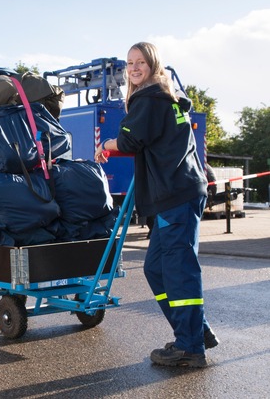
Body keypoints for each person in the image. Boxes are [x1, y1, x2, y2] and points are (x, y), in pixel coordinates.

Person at [95, 42, 219, 368]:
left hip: (175, 194)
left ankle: (190, 347)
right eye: (130, 63)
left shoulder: (149, 98)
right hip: (179, 192)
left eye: (141, 62)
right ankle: (194, 331)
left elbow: (130, 140)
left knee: (178, 271)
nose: (135, 68)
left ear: (153, 65)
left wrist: (105, 145)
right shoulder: (166, 97)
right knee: (155, 268)